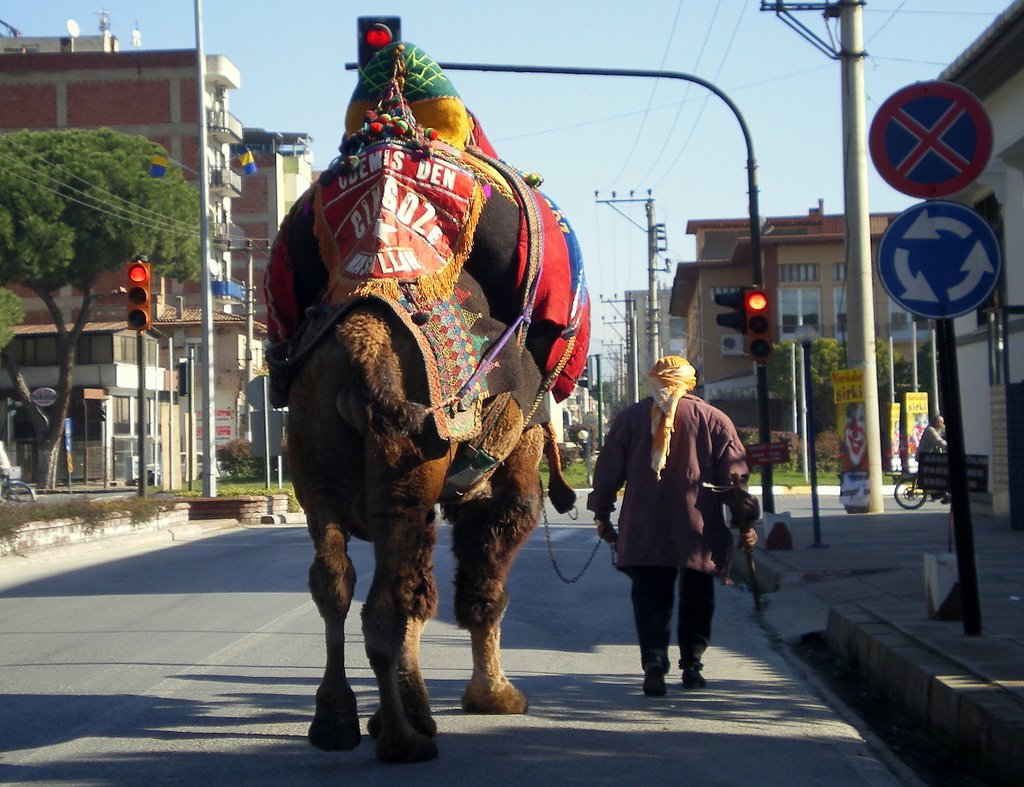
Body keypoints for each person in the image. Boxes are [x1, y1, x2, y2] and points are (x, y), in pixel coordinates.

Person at [587, 356, 759, 696]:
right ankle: (692, 666)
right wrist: (746, 521)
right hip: (698, 527)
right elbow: (735, 480)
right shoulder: (714, 420)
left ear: (654, 381)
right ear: (690, 382)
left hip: (644, 524)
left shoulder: (631, 419)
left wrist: (602, 514)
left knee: (651, 595)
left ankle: (653, 661)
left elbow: (607, 473)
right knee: (698, 595)